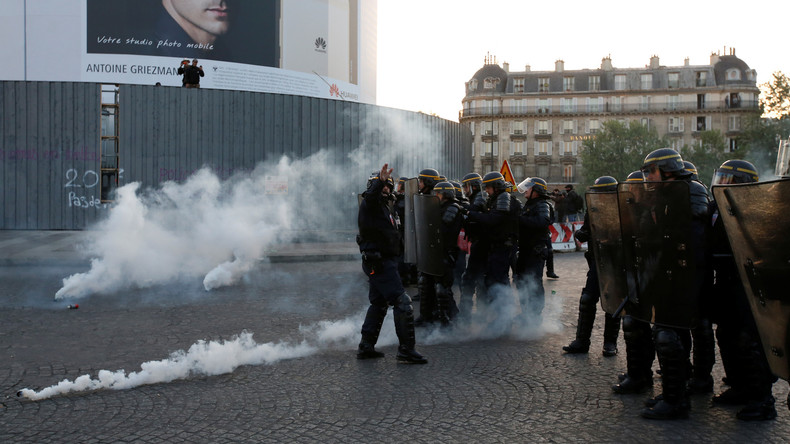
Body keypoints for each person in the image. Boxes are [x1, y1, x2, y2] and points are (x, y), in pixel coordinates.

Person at [637, 148, 710, 420]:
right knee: (671, 333)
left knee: (669, 333)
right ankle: (674, 393)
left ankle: (676, 401)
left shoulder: (690, 190)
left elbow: (692, 240)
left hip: (686, 275)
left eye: (651, 171)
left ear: (667, 169)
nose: (647, 177)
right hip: (669, 274)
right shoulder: (667, 192)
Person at [708, 159, 777, 420]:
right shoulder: (716, 206)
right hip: (724, 280)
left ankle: (762, 399)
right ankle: (739, 386)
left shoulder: (757, 208)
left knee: (751, 340)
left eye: (728, 180)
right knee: (726, 334)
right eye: (721, 178)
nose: (722, 184)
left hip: (748, 283)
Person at [356, 164, 427, 364]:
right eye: (382, 185)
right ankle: (406, 350)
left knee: (378, 303)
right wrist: (379, 181)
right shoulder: (370, 204)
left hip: (385, 260)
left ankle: (366, 346)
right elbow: (371, 195)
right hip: (378, 261)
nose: (386, 188)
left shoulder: (387, 207)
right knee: (402, 301)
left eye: (389, 185)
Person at [563, 176, 621, 357]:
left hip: (616, 261)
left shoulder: (621, 210)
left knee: (613, 302)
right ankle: (581, 341)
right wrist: (582, 233)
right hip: (597, 260)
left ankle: (610, 342)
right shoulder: (593, 209)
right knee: (587, 299)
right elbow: (588, 230)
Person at [612, 171, 655, 395]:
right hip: (633, 272)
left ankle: (640, 375)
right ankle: (637, 372)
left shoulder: (649, 211)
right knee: (633, 325)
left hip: (644, 274)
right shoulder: (634, 210)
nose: (631, 191)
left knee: (637, 325)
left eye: (635, 187)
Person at [466, 172, 520, 308]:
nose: (486, 191)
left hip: (504, 246)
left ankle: (504, 317)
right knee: (493, 280)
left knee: (499, 281)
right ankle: (498, 315)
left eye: (488, 187)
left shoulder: (503, 197)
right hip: (496, 246)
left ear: (496, 186)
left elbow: (493, 219)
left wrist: (471, 214)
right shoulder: (495, 198)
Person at [513, 177, 552, 323]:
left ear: (537, 190)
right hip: (525, 249)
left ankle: (535, 316)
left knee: (534, 283)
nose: (525, 190)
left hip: (535, 251)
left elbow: (542, 222)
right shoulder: (529, 204)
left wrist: (519, 220)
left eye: (528, 188)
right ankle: (526, 313)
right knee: (521, 281)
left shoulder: (542, 205)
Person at [430, 182, 465, 325]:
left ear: (445, 194)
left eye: (438, 193)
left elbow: (442, 228)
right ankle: (448, 316)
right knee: (441, 286)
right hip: (442, 251)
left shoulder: (452, 208)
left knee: (444, 287)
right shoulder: (445, 207)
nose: (436, 196)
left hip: (448, 252)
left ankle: (451, 318)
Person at [414, 168, 441, 326]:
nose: (419, 184)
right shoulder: (424, 197)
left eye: (422, 181)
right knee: (426, 285)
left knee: (436, 287)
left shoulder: (434, 198)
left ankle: (436, 317)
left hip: (434, 249)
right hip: (426, 247)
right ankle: (426, 316)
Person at [459, 172, 488, 318]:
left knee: (472, 278)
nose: (464, 189)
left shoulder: (479, 198)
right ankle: (477, 312)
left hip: (482, 244)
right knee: (475, 278)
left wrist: (463, 210)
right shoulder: (475, 198)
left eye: (466, 186)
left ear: (473, 186)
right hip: (478, 243)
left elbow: (473, 212)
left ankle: (467, 313)